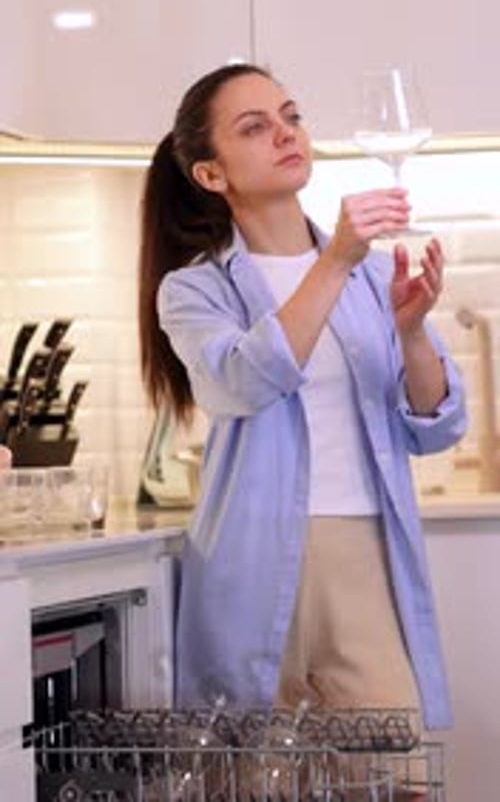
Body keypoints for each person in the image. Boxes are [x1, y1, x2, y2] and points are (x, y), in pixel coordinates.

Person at [138, 63, 466, 763]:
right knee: (255, 778)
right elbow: (244, 382)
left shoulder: (376, 274)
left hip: (365, 554)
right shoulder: (194, 290)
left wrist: (410, 332)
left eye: (290, 115)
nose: (285, 133)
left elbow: (436, 422)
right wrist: (338, 258)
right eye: (255, 127)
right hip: (249, 562)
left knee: (392, 774)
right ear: (211, 174)